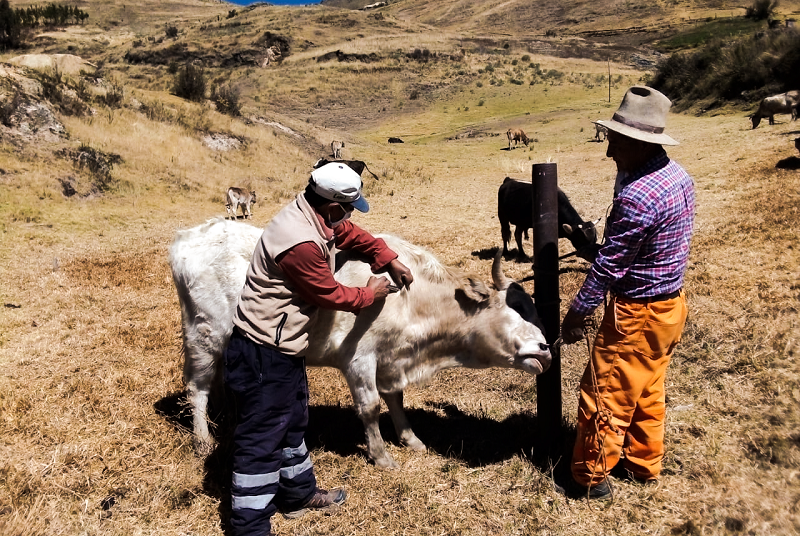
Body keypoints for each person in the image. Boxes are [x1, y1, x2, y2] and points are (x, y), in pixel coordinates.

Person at [223, 162, 414, 535]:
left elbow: (347, 233)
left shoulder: (313, 214)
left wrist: (385, 256)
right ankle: (248, 527)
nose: (346, 216)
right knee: (260, 440)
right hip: (264, 352)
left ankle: (297, 495)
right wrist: (369, 292)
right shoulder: (301, 243)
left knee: (293, 423)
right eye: (345, 208)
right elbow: (328, 293)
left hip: (285, 348)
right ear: (330, 206)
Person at [559, 86, 695, 500]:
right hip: (670, 306)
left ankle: (590, 478)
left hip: (636, 313)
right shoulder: (675, 176)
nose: (608, 151)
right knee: (647, 387)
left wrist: (578, 312)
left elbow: (611, 267)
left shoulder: (639, 196)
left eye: (614, 142)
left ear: (638, 143)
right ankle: (642, 462)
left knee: (607, 392)